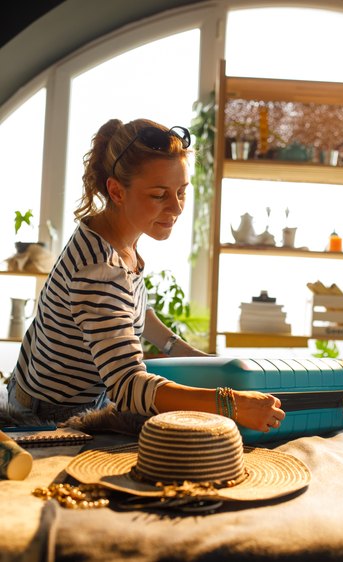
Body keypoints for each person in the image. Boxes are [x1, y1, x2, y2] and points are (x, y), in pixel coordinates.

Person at [7, 117, 285, 432]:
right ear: (116, 191)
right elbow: (127, 387)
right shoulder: (99, 272)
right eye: (159, 195)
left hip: (46, 395)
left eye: (182, 191)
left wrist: (191, 356)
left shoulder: (112, 234)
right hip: (47, 419)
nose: (177, 207)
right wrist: (232, 403)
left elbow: (131, 311)